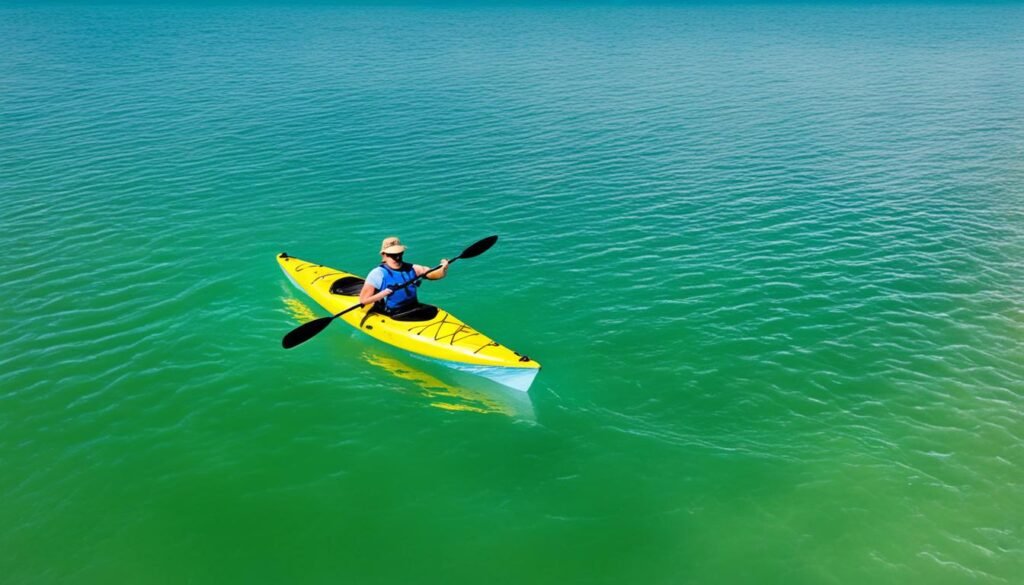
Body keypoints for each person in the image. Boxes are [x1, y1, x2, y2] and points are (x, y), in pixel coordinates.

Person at [359, 236, 449, 315]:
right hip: (392, 312)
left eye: (400, 254)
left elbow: (434, 274)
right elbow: (363, 301)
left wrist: (443, 268)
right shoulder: (377, 274)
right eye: (393, 255)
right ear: (384, 255)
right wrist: (383, 293)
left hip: (412, 307)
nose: (397, 257)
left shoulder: (413, 268)